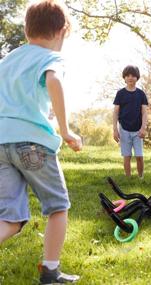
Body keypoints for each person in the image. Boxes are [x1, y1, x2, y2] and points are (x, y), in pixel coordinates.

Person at [0, 0, 82, 283]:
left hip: (1, 145)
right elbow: (53, 81)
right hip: (32, 144)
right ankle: (50, 271)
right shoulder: (51, 58)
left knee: (10, 219)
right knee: (58, 207)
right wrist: (66, 130)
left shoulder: (8, 60)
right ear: (62, 31)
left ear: (27, 30)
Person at [113, 65, 148, 178]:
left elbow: (144, 112)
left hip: (138, 130)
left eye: (133, 75)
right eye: (128, 75)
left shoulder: (141, 94)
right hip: (124, 129)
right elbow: (115, 112)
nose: (130, 77)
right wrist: (115, 130)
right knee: (126, 156)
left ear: (137, 77)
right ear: (124, 77)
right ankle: (128, 178)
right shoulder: (120, 94)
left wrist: (143, 128)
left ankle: (141, 177)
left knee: (139, 156)